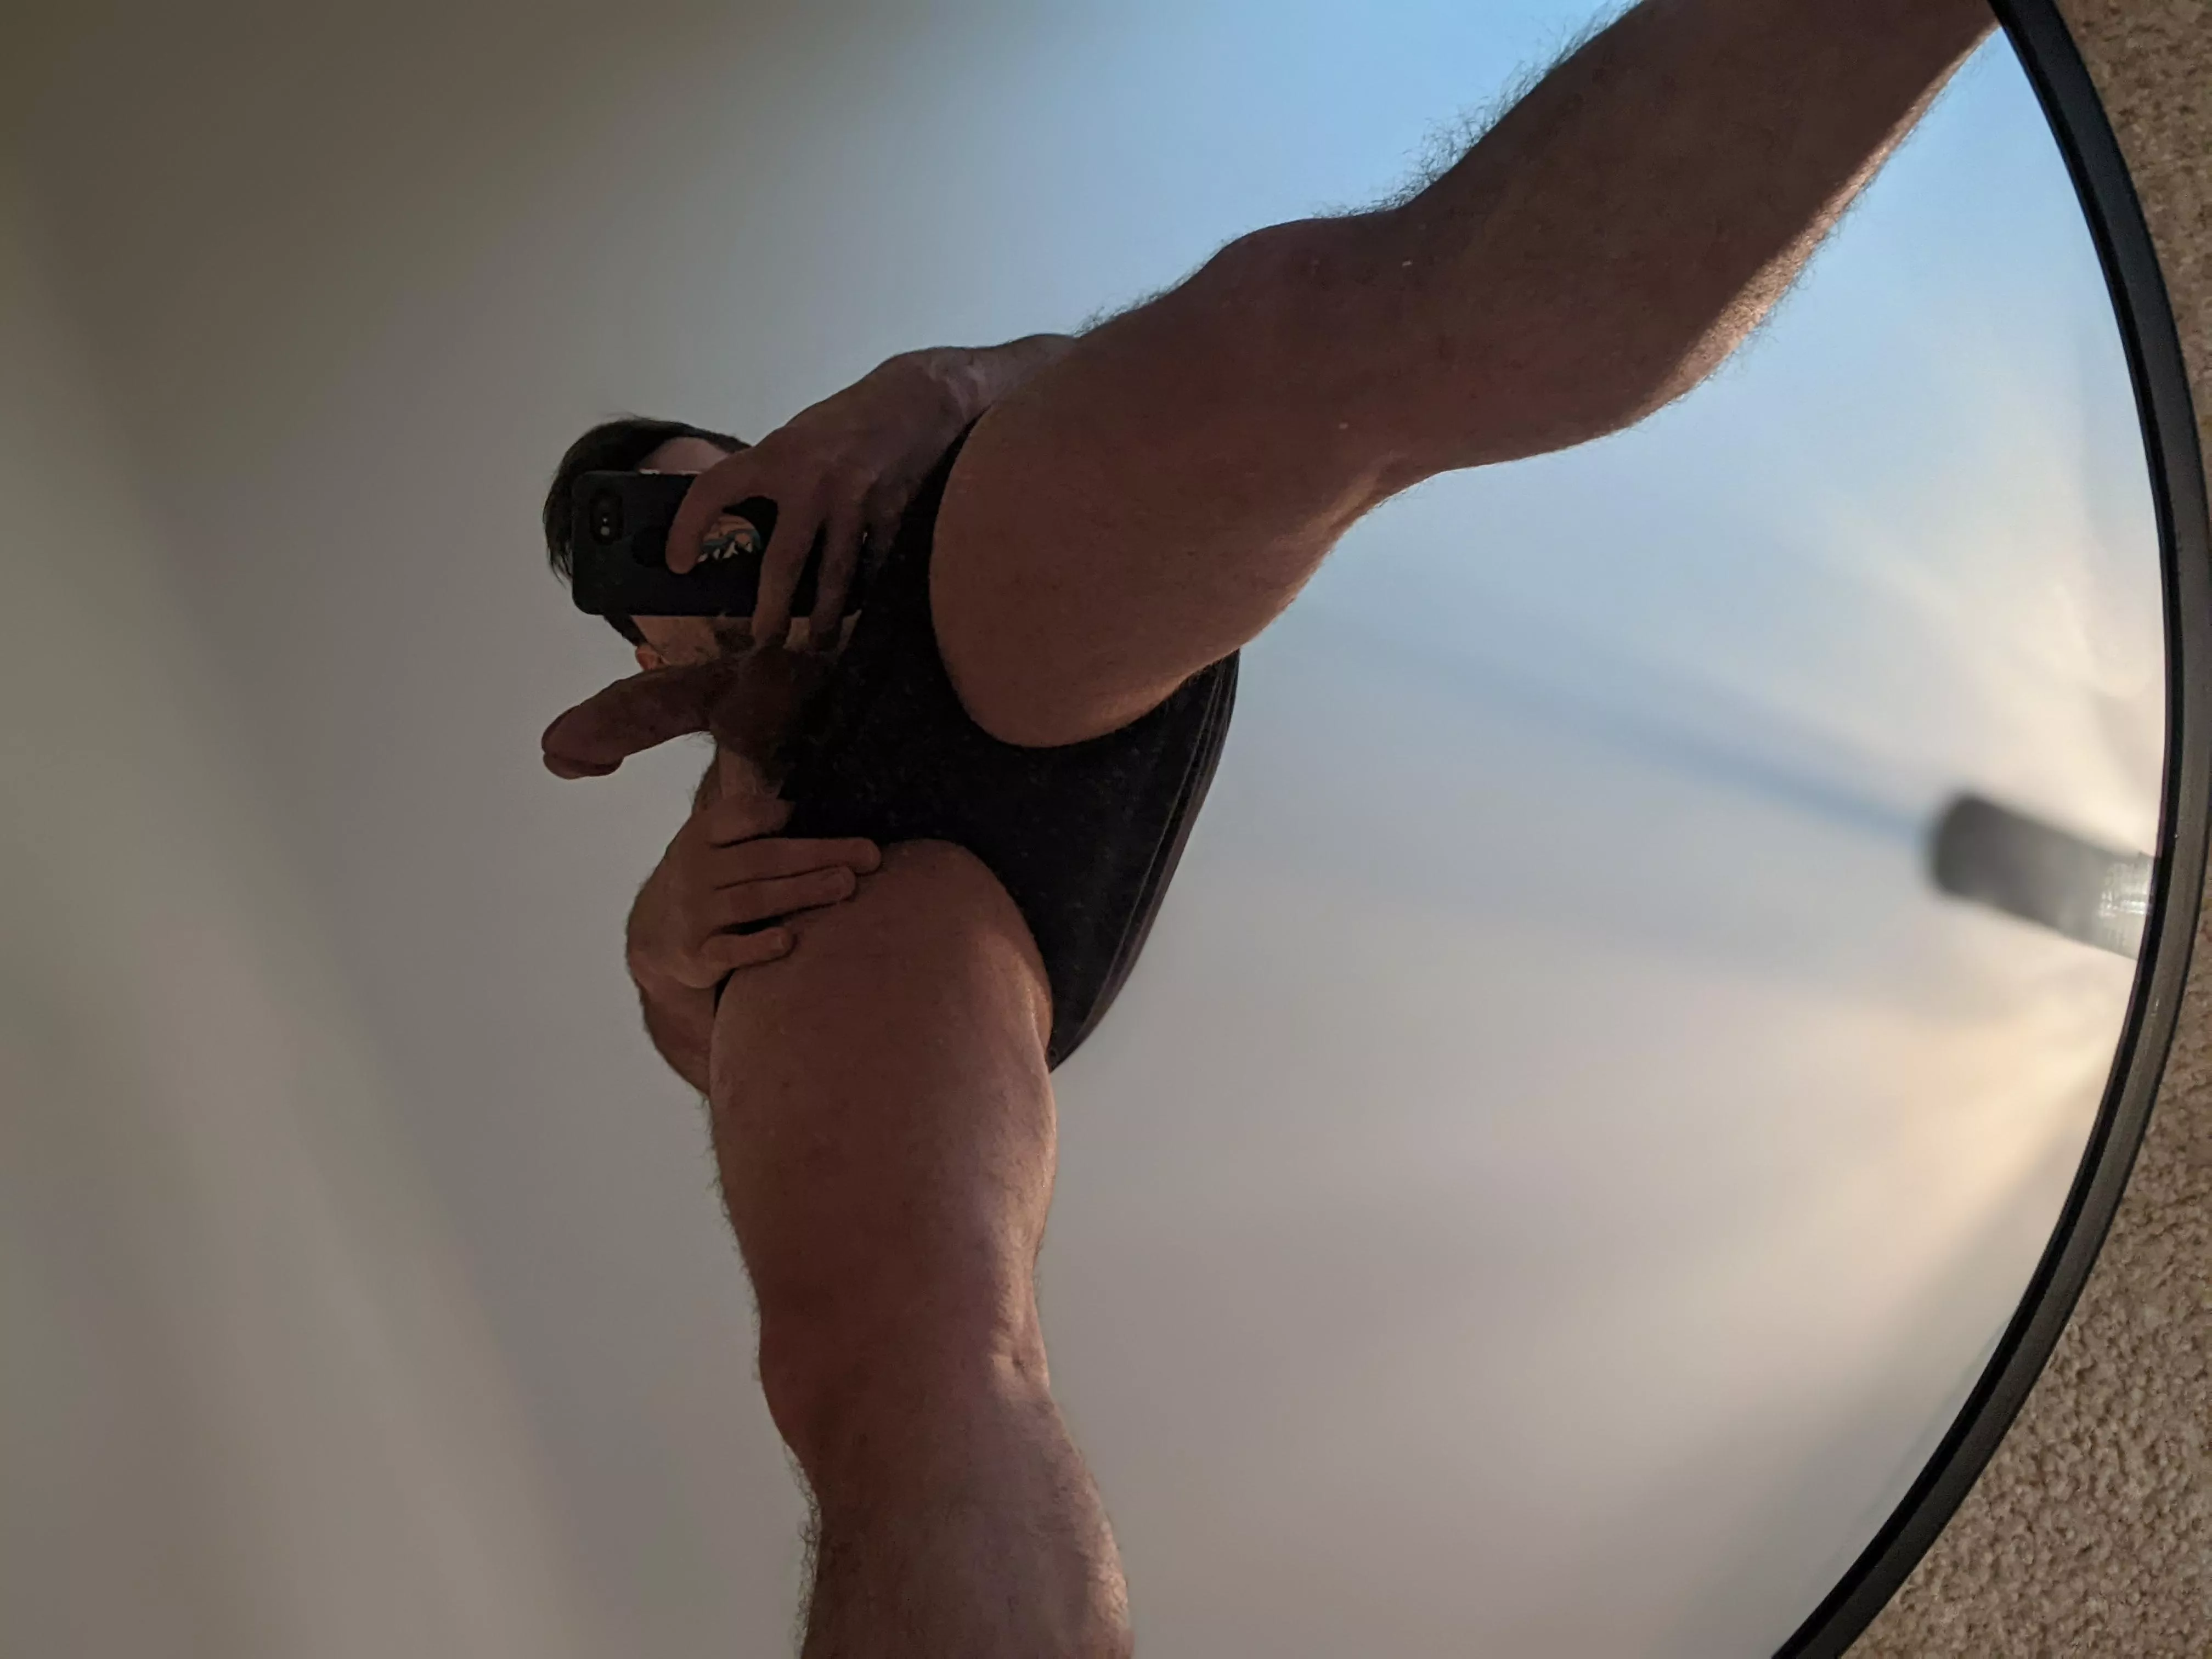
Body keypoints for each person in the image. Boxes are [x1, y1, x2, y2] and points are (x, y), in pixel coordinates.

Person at [538, 1, 1999, 1652]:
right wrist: (661, 957)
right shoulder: (728, 851)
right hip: (859, 857)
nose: (703, 547)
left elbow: (1105, 379)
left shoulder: (905, 456)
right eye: (658, 556)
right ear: (642, 645)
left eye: (716, 500)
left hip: (974, 597)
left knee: (1315, 331)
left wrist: (940, 385)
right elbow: (705, 1041)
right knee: (888, 1370)